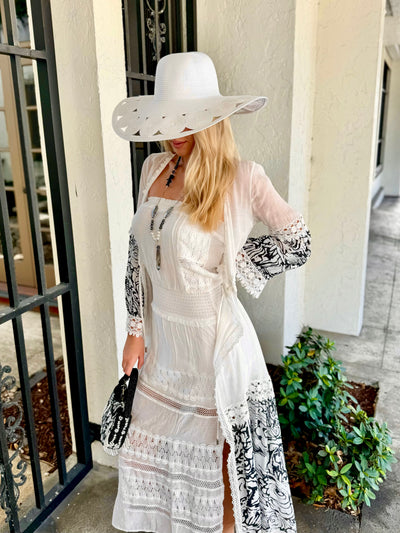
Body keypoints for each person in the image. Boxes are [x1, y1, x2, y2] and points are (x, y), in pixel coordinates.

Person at [110, 51, 311, 533]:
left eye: (188, 116)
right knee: (152, 461)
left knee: (220, 472)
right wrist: (135, 329)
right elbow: (138, 255)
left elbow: (297, 242)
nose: (175, 130)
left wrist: (233, 261)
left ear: (212, 117)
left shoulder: (242, 177)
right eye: (168, 116)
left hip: (213, 346)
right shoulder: (154, 168)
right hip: (163, 345)